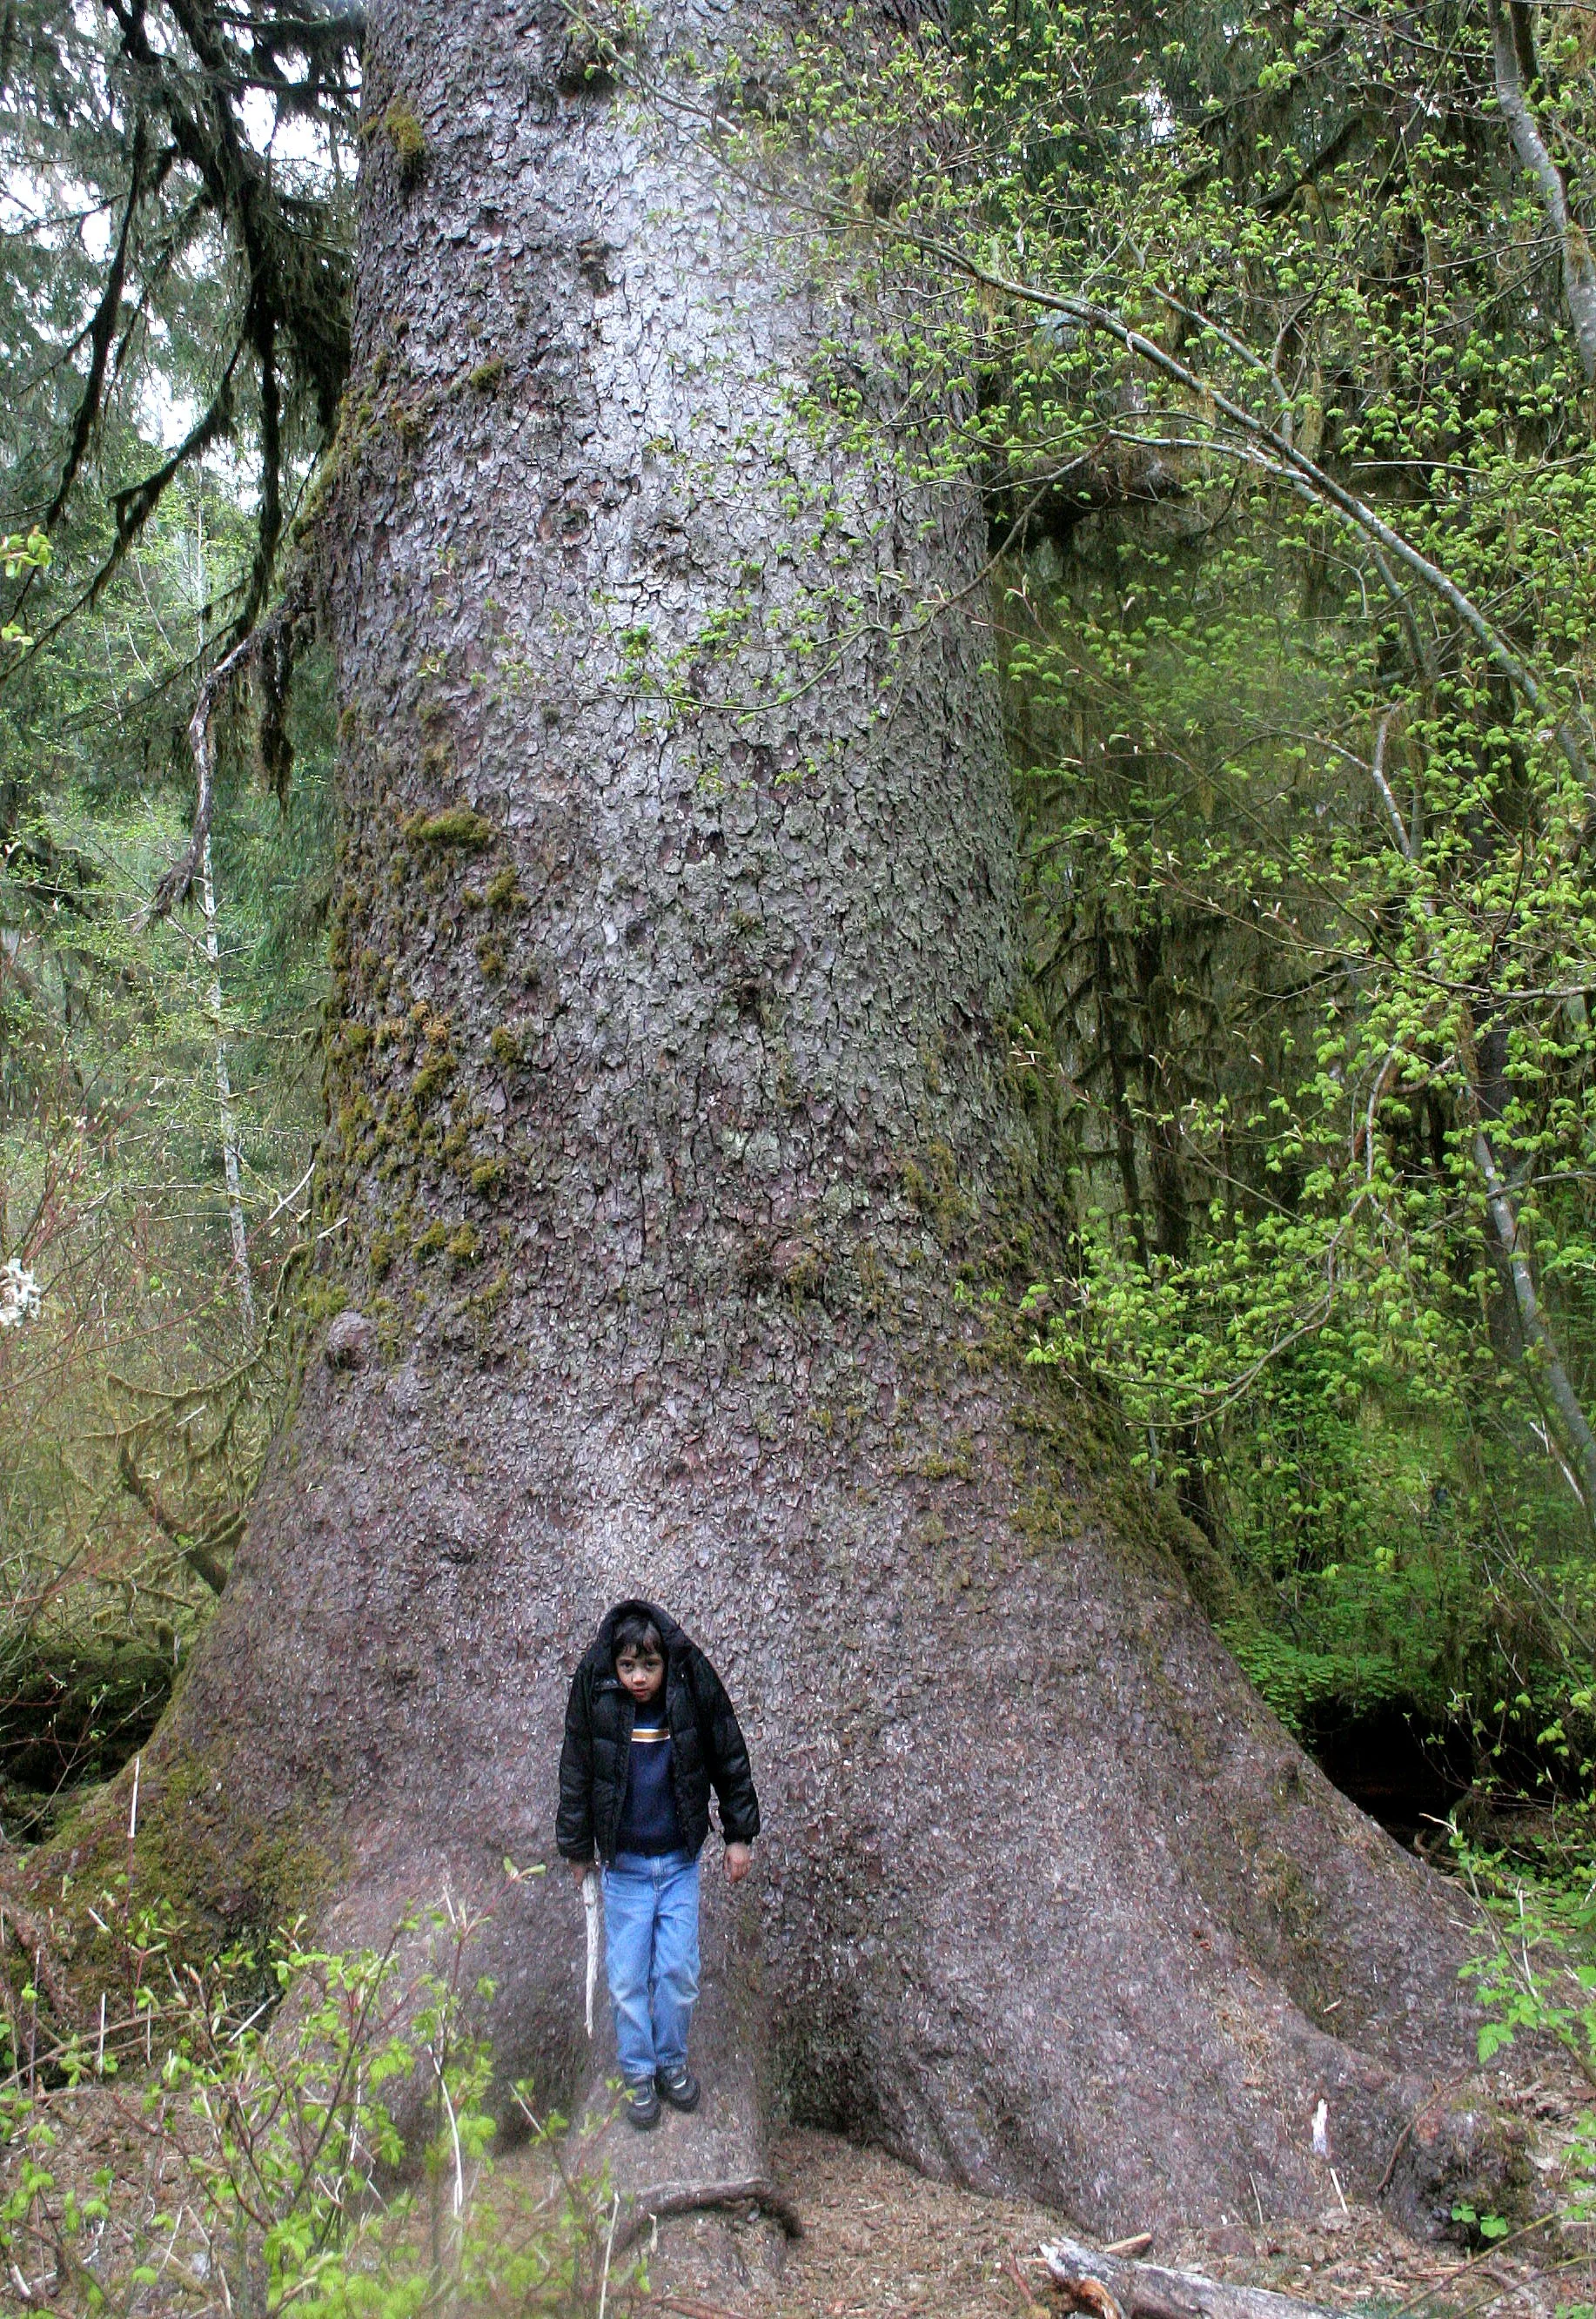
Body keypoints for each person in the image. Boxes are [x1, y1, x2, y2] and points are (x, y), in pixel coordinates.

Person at [557, 1597, 761, 2129]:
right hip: (623, 1868)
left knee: (676, 1971)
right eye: (628, 1667)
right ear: (614, 1665)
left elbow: (727, 1752)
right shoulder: (595, 1690)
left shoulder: (691, 1684)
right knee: (626, 1978)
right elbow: (576, 1767)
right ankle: (638, 2071)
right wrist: (578, 1848)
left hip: (677, 1865)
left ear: (665, 1661)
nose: (639, 1678)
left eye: (649, 1666)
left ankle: (671, 2061)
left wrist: (738, 1834)